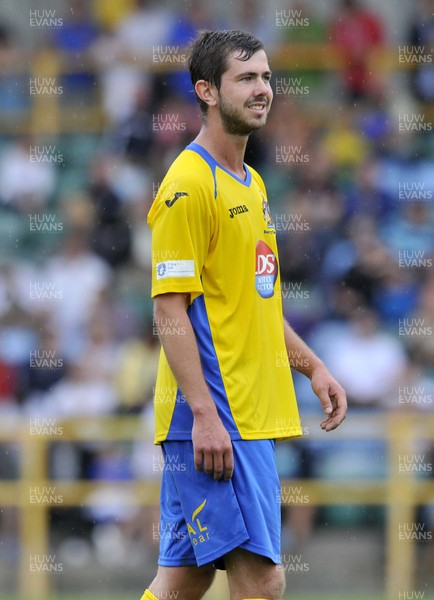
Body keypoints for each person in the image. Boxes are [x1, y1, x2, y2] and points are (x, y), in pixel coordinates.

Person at [143, 30, 347, 600]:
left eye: (265, 77)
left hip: (242, 417)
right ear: (206, 91)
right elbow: (168, 311)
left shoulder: (252, 185)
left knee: (182, 580)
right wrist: (204, 415)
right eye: (246, 78)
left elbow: (256, 305)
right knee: (262, 583)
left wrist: (312, 367)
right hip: (216, 419)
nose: (263, 89)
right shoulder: (188, 183)